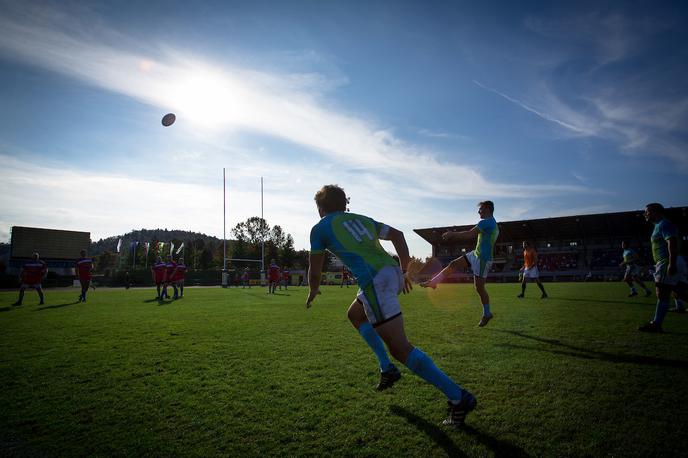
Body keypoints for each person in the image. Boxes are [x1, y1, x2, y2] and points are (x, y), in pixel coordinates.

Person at [306, 185, 476, 427]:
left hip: (375, 282)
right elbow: (397, 234)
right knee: (355, 315)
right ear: (345, 205)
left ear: (321, 209)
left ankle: (459, 398)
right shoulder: (361, 219)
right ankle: (386, 368)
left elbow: (315, 266)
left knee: (400, 349)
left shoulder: (320, 228)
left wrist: (313, 289)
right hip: (391, 272)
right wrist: (406, 269)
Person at [420, 201, 500, 327]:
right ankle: (433, 282)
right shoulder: (492, 223)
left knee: (479, 288)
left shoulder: (486, 222)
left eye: (481, 209)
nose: (478, 212)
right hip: (476, 254)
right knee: (453, 264)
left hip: (483, 259)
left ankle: (487, 314)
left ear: (488, 209)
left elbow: (469, 234)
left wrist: (452, 234)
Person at [639, 203, 688, 332]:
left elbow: (671, 242)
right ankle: (657, 323)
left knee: (662, 292)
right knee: (679, 291)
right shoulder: (658, 225)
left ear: (656, 212)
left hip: (667, 260)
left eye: (647, 211)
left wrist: (671, 263)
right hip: (671, 260)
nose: (645, 214)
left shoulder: (664, 224)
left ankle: (656, 324)